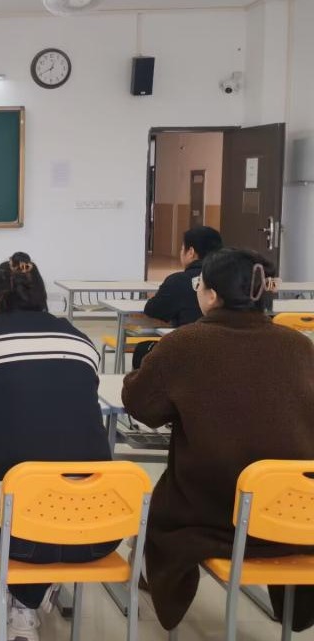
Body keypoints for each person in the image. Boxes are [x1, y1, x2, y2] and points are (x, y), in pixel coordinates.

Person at [123, 248, 314, 633]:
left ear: (210, 295)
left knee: (161, 510)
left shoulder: (185, 343)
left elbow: (141, 406)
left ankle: (152, 573)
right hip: (295, 512)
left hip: (210, 515)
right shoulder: (301, 347)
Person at [0, 252, 115, 641]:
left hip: (12, 531)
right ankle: (31, 593)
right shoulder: (80, 340)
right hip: (97, 530)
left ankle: (25, 592)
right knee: (45, 504)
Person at [144, 226, 222, 327]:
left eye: (182, 249)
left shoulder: (178, 281)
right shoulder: (231, 279)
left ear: (191, 252)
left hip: (187, 336)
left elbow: (152, 311)